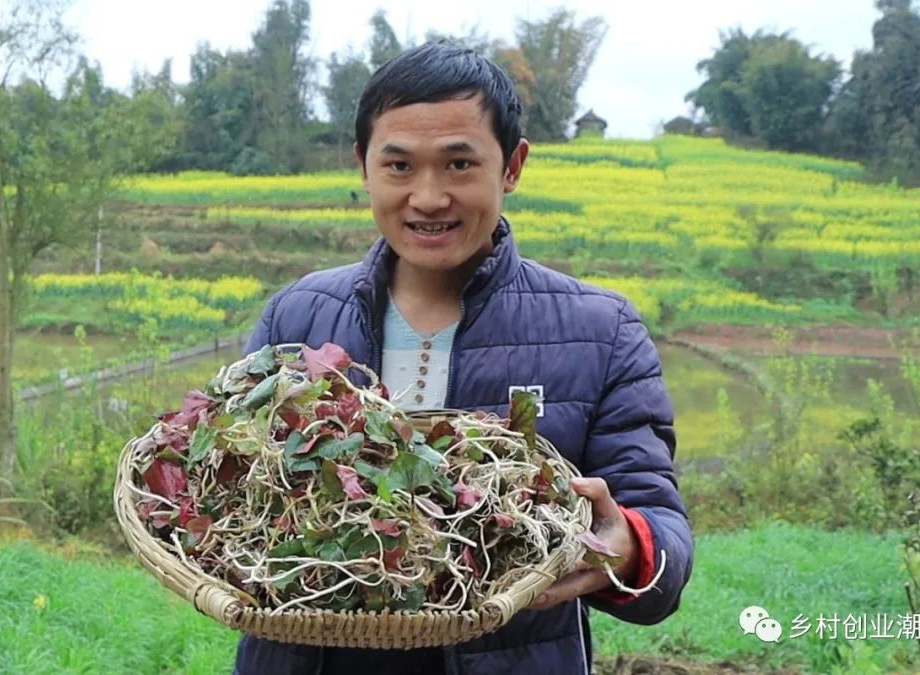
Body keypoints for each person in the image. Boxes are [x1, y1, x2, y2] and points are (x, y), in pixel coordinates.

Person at [235, 41, 693, 675]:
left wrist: (628, 549)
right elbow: (239, 494)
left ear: (512, 167)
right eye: (398, 166)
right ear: (362, 166)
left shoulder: (600, 331)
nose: (427, 197)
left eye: (458, 164)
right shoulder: (297, 317)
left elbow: (660, 535)